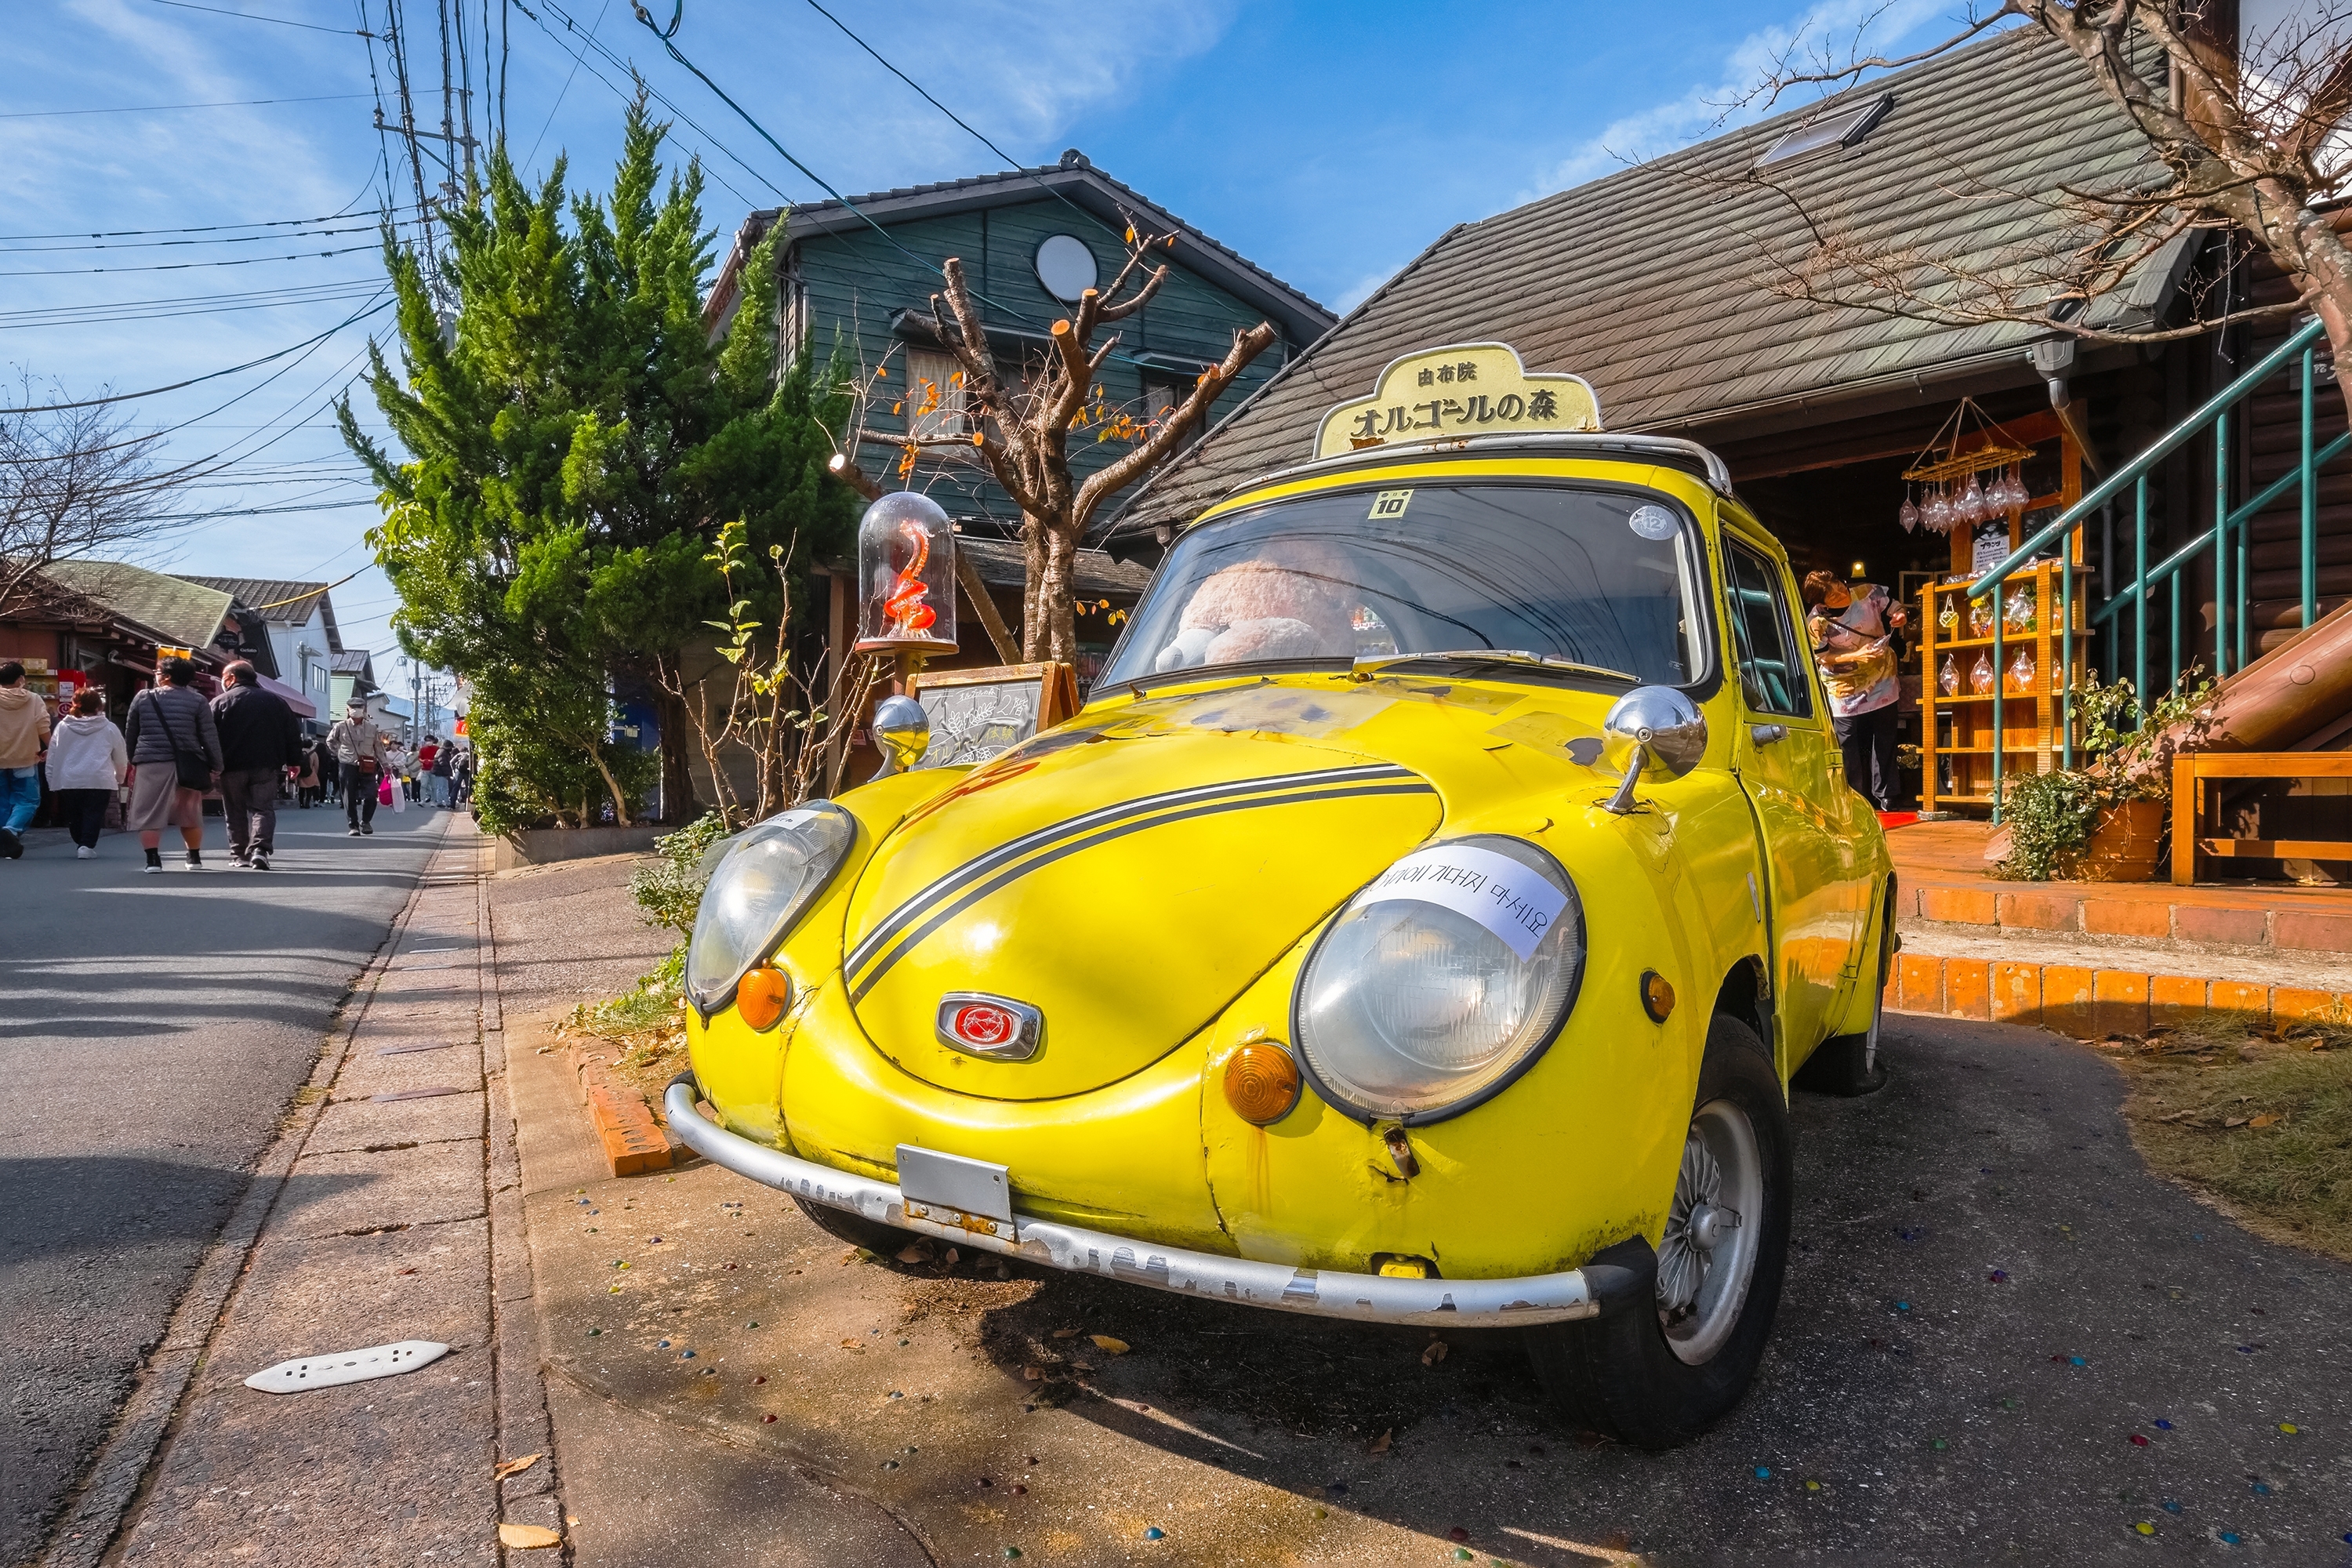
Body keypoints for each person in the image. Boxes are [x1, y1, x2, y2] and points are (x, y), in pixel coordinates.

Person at [1802, 570, 1906, 811]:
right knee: (1846, 740)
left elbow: (1894, 606)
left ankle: (1887, 795)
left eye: (1840, 586)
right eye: (1833, 595)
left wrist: (1900, 615)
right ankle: (1854, 798)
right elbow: (1821, 658)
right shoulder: (1816, 622)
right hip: (1843, 685)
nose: (1842, 594)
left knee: (1885, 735)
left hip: (1882, 676)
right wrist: (1856, 655)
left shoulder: (1866, 592)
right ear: (1821, 603)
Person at [124, 657, 221, 873]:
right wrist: (216, 764)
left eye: (157, 672)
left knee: (149, 813)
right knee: (190, 812)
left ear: (166, 676)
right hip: (189, 764)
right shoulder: (197, 700)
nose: (155, 675)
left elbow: (131, 732)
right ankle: (194, 858)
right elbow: (208, 735)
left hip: (151, 762)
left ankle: (153, 861)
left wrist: (134, 758)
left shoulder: (143, 697)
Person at [212, 660, 303, 869]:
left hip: (231, 765)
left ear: (232, 678)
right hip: (267, 765)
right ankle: (260, 850)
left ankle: (239, 855)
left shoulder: (220, 702)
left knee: (234, 810)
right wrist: (294, 761)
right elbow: (292, 734)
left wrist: (211, 763)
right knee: (263, 809)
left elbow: (208, 735)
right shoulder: (277, 702)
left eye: (224, 677)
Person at [45, 687, 127, 858]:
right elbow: (120, 756)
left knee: (74, 814)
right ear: (99, 706)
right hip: (99, 778)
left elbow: (53, 755)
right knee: (94, 813)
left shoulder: (63, 727)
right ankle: (86, 845)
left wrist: (51, 778)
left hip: (69, 779)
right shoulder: (109, 728)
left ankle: (80, 842)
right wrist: (120, 777)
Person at [0, 660, 50, 860]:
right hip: (25, 757)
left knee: (2, 800)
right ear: (21, 679)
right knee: (28, 800)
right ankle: (11, 831)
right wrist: (51, 749)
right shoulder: (34, 699)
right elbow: (43, 727)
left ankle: (3, 840)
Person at [326, 699, 393, 836]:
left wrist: (385, 765)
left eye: (359, 707)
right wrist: (339, 753)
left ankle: (366, 821)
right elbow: (330, 741)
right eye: (353, 707)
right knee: (348, 796)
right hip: (347, 764)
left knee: (371, 795)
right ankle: (353, 825)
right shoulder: (340, 726)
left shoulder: (372, 728)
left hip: (368, 764)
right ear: (348, 710)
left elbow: (379, 748)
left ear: (364, 710)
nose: (356, 709)